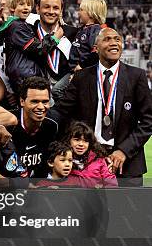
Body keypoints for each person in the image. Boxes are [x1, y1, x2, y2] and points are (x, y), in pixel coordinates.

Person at [53, 28, 152, 186]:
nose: (114, 43)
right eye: (107, 39)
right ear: (96, 47)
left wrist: (124, 150)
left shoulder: (136, 76)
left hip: (127, 164)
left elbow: (148, 120)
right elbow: (62, 112)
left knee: (129, 210)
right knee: (88, 210)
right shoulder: (81, 78)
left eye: (117, 39)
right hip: (87, 162)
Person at [9, 76, 58, 177]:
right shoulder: (8, 126)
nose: (41, 107)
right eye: (34, 101)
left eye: (45, 102)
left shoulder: (52, 126)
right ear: (22, 101)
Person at [64, 121, 117, 188]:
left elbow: (111, 183)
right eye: (77, 140)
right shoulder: (63, 160)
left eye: (85, 141)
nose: (81, 144)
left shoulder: (99, 160)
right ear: (69, 140)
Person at [68, 0, 108, 70]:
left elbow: (97, 53)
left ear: (90, 13)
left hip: (85, 72)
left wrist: (81, 66)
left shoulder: (96, 31)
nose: (78, 13)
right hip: (74, 70)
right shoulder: (82, 29)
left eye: (81, 10)